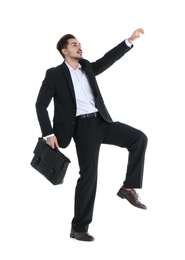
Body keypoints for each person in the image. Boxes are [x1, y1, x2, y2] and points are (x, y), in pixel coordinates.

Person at [35, 28, 148, 242]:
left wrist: (129, 41)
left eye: (79, 44)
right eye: (74, 44)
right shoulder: (54, 74)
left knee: (138, 138)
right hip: (81, 129)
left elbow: (108, 59)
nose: (79, 47)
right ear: (64, 50)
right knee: (89, 176)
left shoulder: (86, 67)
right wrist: (48, 133)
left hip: (101, 121)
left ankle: (128, 187)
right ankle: (78, 228)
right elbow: (40, 104)